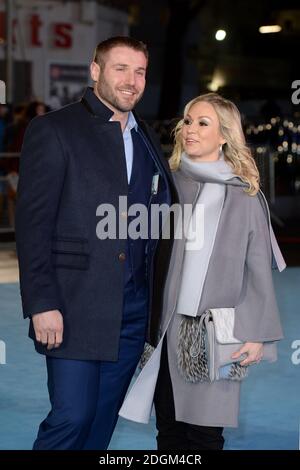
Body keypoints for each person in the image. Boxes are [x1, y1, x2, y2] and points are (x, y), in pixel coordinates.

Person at [15, 36, 176, 450]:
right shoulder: (54, 130)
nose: (131, 80)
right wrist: (41, 302)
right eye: (121, 68)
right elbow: (33, 225)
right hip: (72, 305)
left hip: (133, 312)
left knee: (101, 424)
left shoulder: (147, 140)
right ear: (95, 71)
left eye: (140, 71)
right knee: (72, 417)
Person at [119, 93, 286, 450]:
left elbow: (257, 269)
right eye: (188, 121)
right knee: (168, 431)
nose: (189, 129)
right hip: (165, 330)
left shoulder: (244, 195)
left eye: (202, 123)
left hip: (213, 334)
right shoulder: (168, 183)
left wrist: (255, 334)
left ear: (225, 134)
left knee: (206, 434)